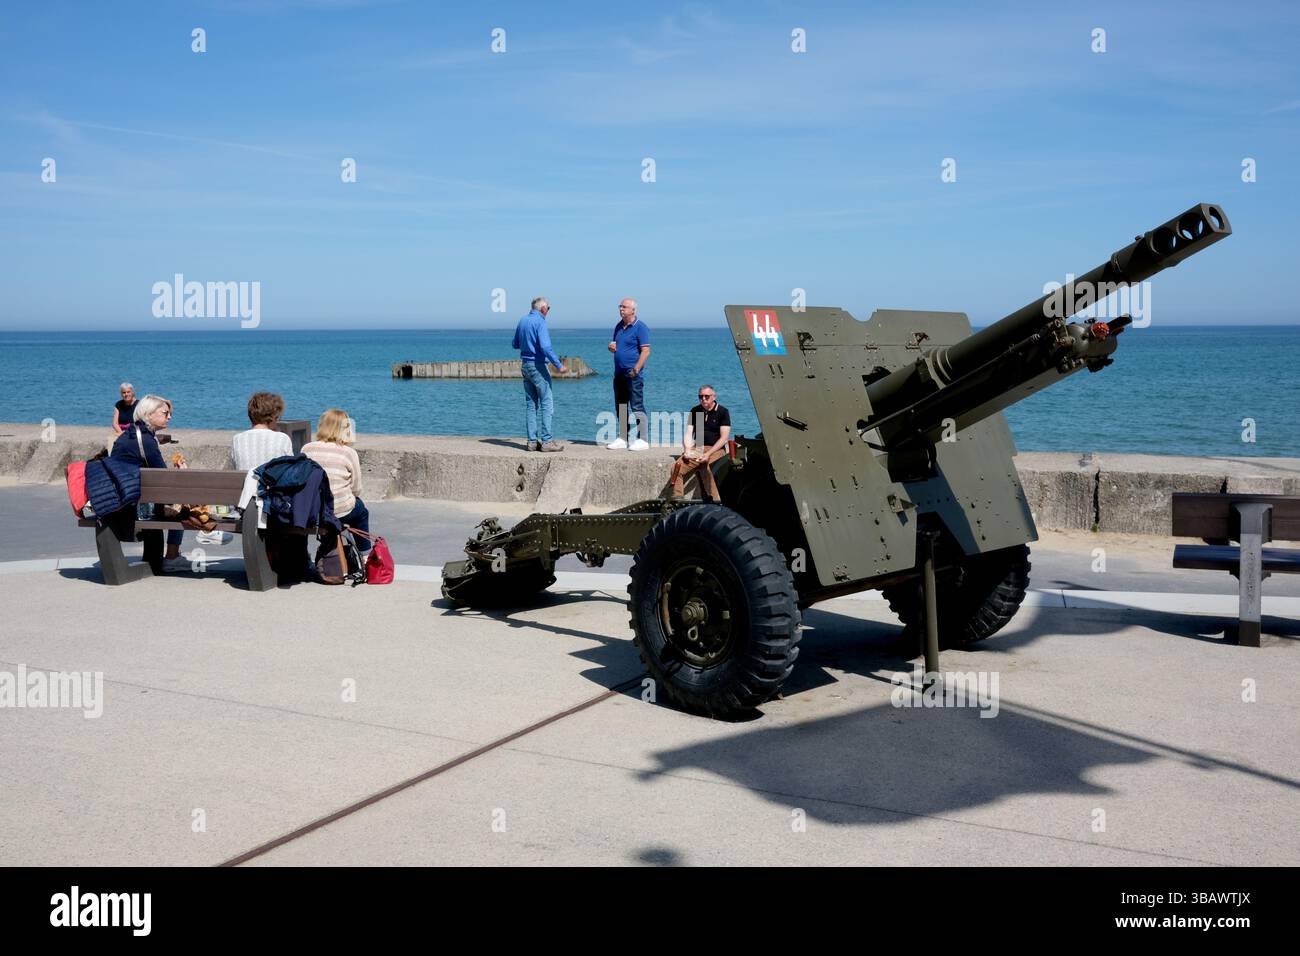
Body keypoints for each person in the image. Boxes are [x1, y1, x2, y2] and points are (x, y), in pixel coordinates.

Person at [109, 394, 187, 571]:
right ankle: (172, 556)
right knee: (182, 505)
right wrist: (180, 472)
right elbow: (163, 480)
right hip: (136, 508)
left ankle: (159, 558)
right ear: (149, 414)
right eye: (165, 413)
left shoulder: (127, 436)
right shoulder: (146, 441)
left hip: (120, 500)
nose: (169, 417)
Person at [302, 408, 370, 548]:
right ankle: (365, 553)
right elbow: (356, 489)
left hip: (311, 511)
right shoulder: (349, 453)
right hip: (338, 511)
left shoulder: (306, 449)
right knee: (361, 512)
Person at [511, 297, 566, 452]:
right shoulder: (540, 322)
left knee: (531, 404)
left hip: (525, 365)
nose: (548, 311)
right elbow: (546, 347)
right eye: (548, 308)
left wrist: (527, 343)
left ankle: (532, 442)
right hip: (538, 365)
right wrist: (559, 365)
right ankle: (547, 441)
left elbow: (515, 344)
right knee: (547, 402)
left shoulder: (522, 321)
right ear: (543, 309)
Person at [667, 384, 731, 503]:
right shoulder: (695, 411)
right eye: (701, 396)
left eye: (707, 396)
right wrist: (687, 450)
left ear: (714, 397)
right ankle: (678, 499)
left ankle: (716, 501)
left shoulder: (723, 412)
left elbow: (724, 438)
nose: (703, 399)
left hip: (716, 449)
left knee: (707, 468)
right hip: (699, 447)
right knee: (677, 467)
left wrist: (708, 454)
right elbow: (688, 433)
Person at [606, 297, 650, 450]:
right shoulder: (618, 326)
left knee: (637, 405)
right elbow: (616, 346)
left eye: (624, 307)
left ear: (633, 310)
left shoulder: (641, 327)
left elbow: (646, 351)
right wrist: (611, 348)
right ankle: (623, 438)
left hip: (633, 374)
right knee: (621, 406)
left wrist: (637, 368)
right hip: (619, 373)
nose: (621, 309)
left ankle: (643, 439)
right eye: (620, 306)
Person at [232, 391, 293, 471]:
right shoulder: (282, 438)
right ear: (273, 417)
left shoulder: (237, 439)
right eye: (277, 418)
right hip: (271, 483)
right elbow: (290, 470)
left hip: (246, 483)